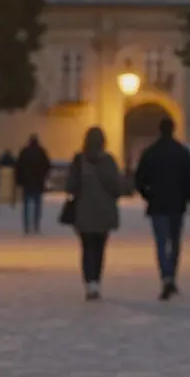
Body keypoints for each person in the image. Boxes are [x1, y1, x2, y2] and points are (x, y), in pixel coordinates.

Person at [133, 116, 190, 300]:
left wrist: (148, 195)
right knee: (175, 242)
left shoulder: (150, 153)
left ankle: (166, 277)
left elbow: (139, 179)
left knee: (161, 243)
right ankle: (172, 276)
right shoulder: (182, 152)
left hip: (158, 204)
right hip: (177, 204)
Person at [67, 127, 122, 300]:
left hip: (83, 212)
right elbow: (117, 187)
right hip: (104, 213)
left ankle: (89, 282)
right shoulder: (108, 161)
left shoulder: (79, 160)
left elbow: (70, 186)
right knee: (99, 248)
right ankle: (96, 281)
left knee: (87, 247)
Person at [14, 135, 52, 234]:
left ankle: (26, 226)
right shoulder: (41, 152)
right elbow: (47, 165)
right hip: (38, 182)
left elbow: (18, 167)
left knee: (26, 205)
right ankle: (36, 225)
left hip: (27, 182)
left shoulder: (24, 152)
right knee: (37, 205)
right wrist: (43, 176)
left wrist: (19, 181)